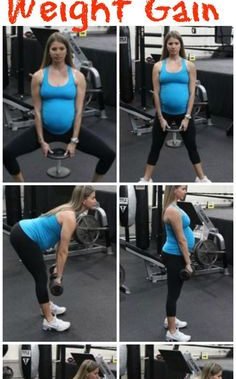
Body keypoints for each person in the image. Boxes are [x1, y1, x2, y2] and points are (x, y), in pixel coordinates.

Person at [3, 31, 115, 182]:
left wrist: (74, 140)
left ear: (67, 50)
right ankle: (20, 184)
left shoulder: (77, 76)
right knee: (7, 153)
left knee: (108, 155)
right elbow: (37, 111)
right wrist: (42, 141)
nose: (58, 53)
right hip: (45, 129)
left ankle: (92, 186)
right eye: (54, 49)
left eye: (61, 48)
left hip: (70, 131)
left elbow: (79, 111)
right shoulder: (39, 76)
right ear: (48, 51)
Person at [9, 185, 97, 332]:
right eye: (93, 198)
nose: (95, 201)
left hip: (22, 231)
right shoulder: (70, 217)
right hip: (24, 236)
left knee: (41, 275)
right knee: (41, 278)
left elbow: (59, 246)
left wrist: (57, 267)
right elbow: (63, 251)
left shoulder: (69, 210)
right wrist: (58, 277)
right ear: (83, 200)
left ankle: (47, 306)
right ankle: (49, 320)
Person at [139, 30, 211, 183]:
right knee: (155, 146)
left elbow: (192, 93)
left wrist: (187, 117)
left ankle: (202, 178)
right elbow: (156, 93)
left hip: (184, 114)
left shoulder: (189, 66)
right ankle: (146, 179)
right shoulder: (158, 66)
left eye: (176, 43)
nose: (173, 46)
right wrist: (160, 117)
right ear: (166, 45)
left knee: (192, 146)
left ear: (180, 45)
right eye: (170, 43)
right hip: (164, 114)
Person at [162, 184, 195, 342]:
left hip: (176, 254)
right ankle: (172, 331)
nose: (185, 191)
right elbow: (181, 240)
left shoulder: (173, 206)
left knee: (174, 291)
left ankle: (170, 319)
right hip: (175, 255)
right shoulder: (173, 211)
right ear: (174, 189)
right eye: (183, 188)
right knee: (173, 293)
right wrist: (188, 262)